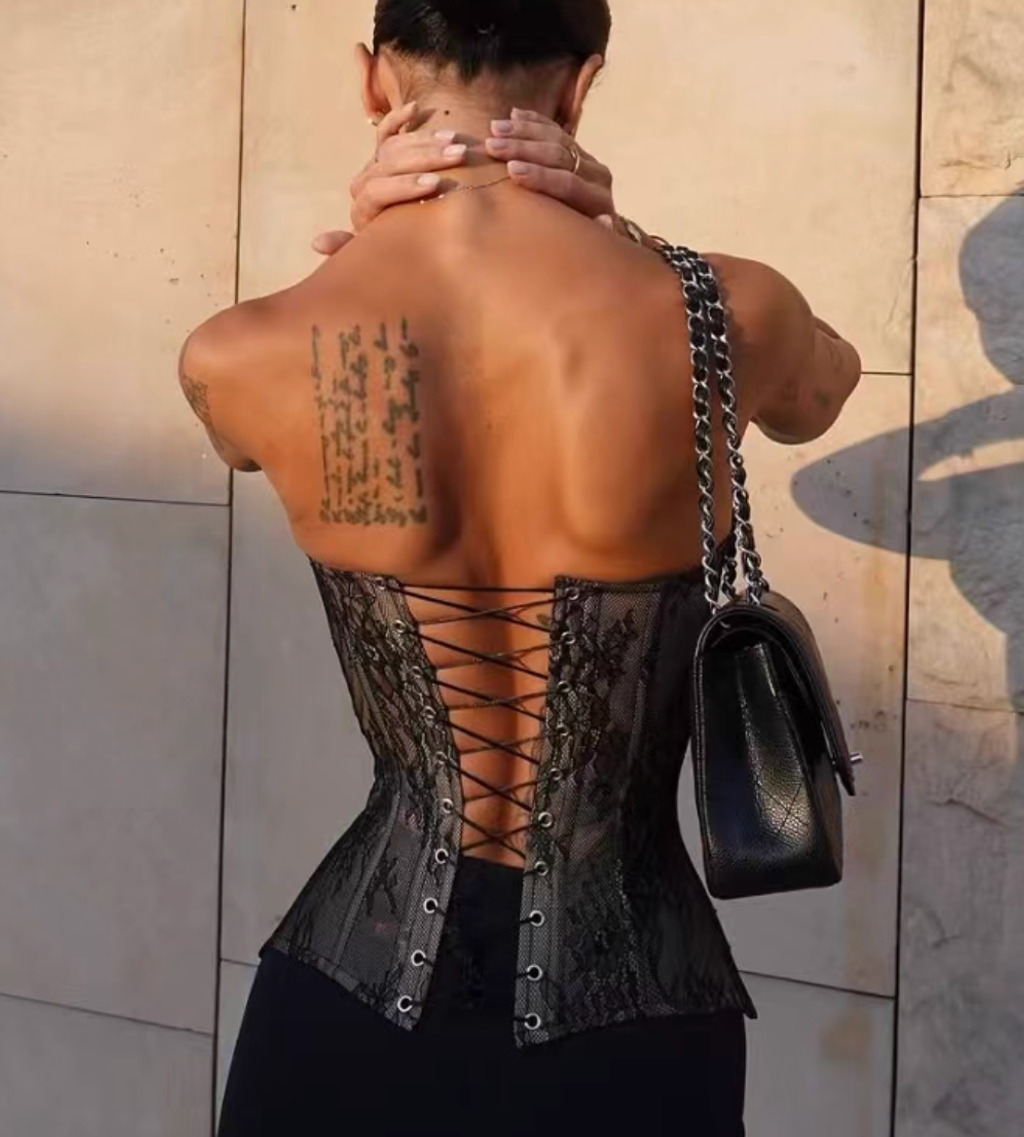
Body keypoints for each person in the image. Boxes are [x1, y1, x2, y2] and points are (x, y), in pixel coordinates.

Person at [182, 2, 862, 1134]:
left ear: (372, 83)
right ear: (580, 89)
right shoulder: (730, 312)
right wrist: (634, 240)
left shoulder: (238, 351)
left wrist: (371, 254)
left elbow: (238, 444)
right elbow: (824, 391)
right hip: (634, 1025)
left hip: (345, 1003)